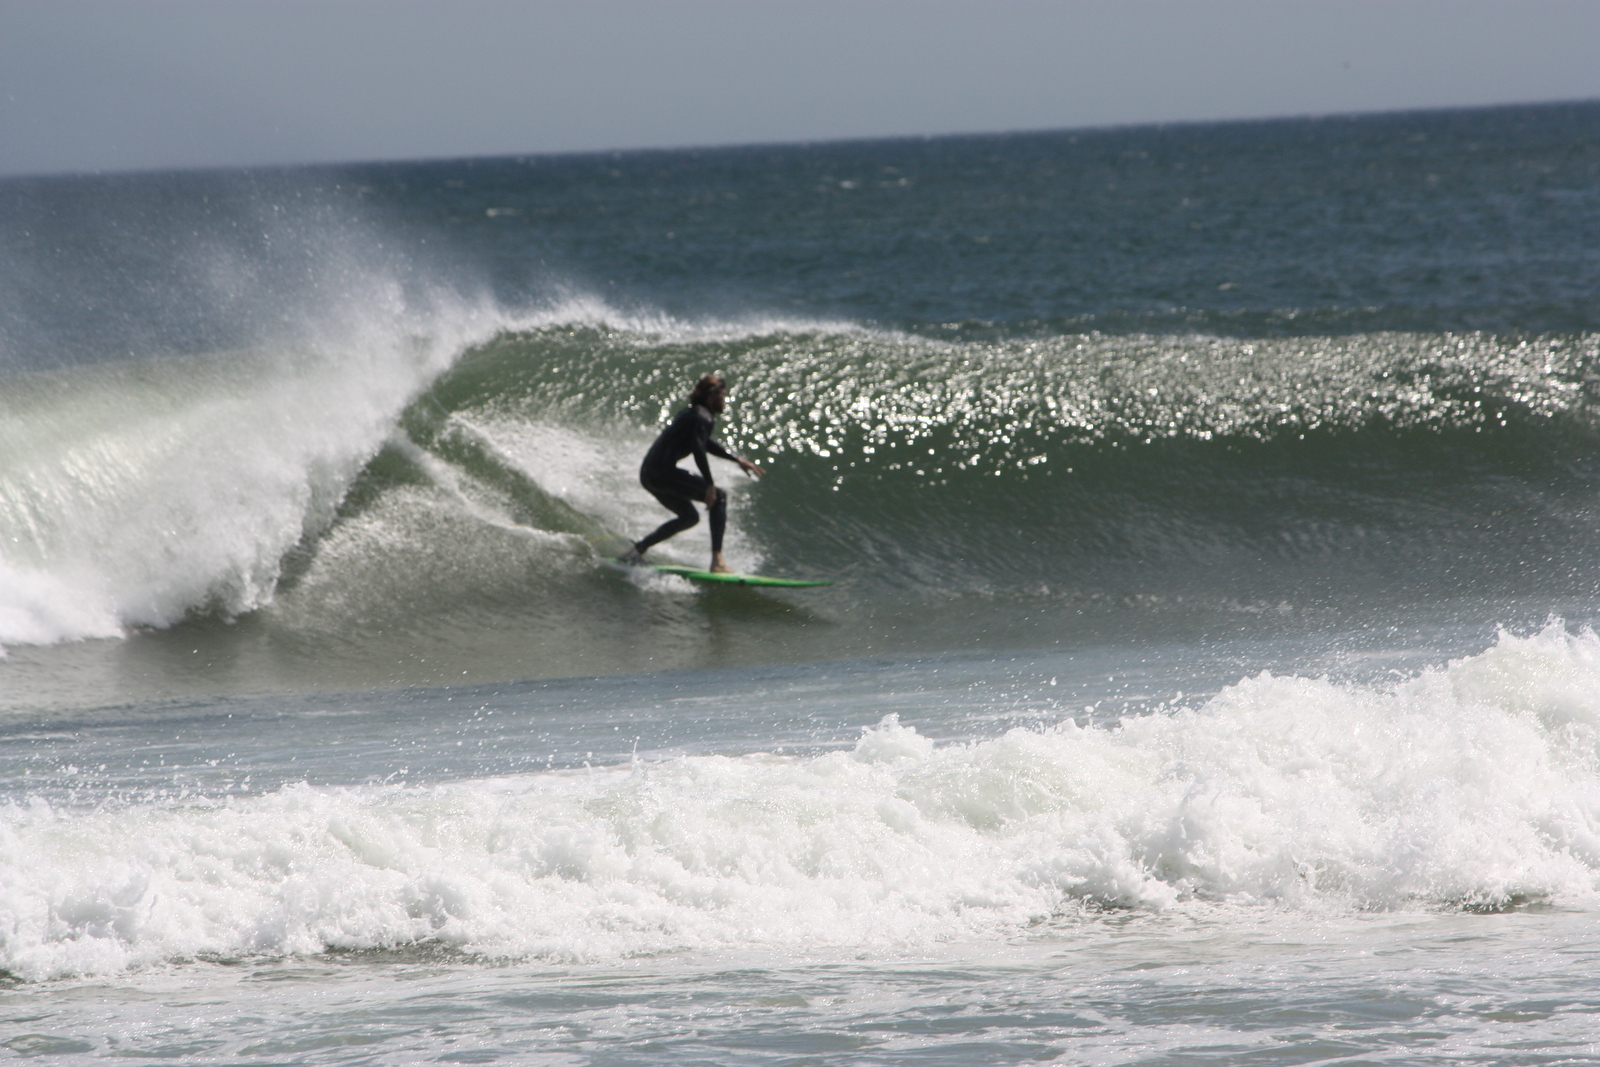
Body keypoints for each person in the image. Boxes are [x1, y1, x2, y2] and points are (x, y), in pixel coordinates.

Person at [621, 374, 765, 573]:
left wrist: (736, 459)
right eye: (722, 396)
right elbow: (698, 448)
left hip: (649, 474)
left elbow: (704, 443)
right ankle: (717, 562)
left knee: (689, 516)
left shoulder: (692, 413)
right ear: (712, 395)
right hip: (662, 473)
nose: (724, 401)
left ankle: (636, 551)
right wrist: (710, 485)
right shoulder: (703, 417)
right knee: (719, 497)